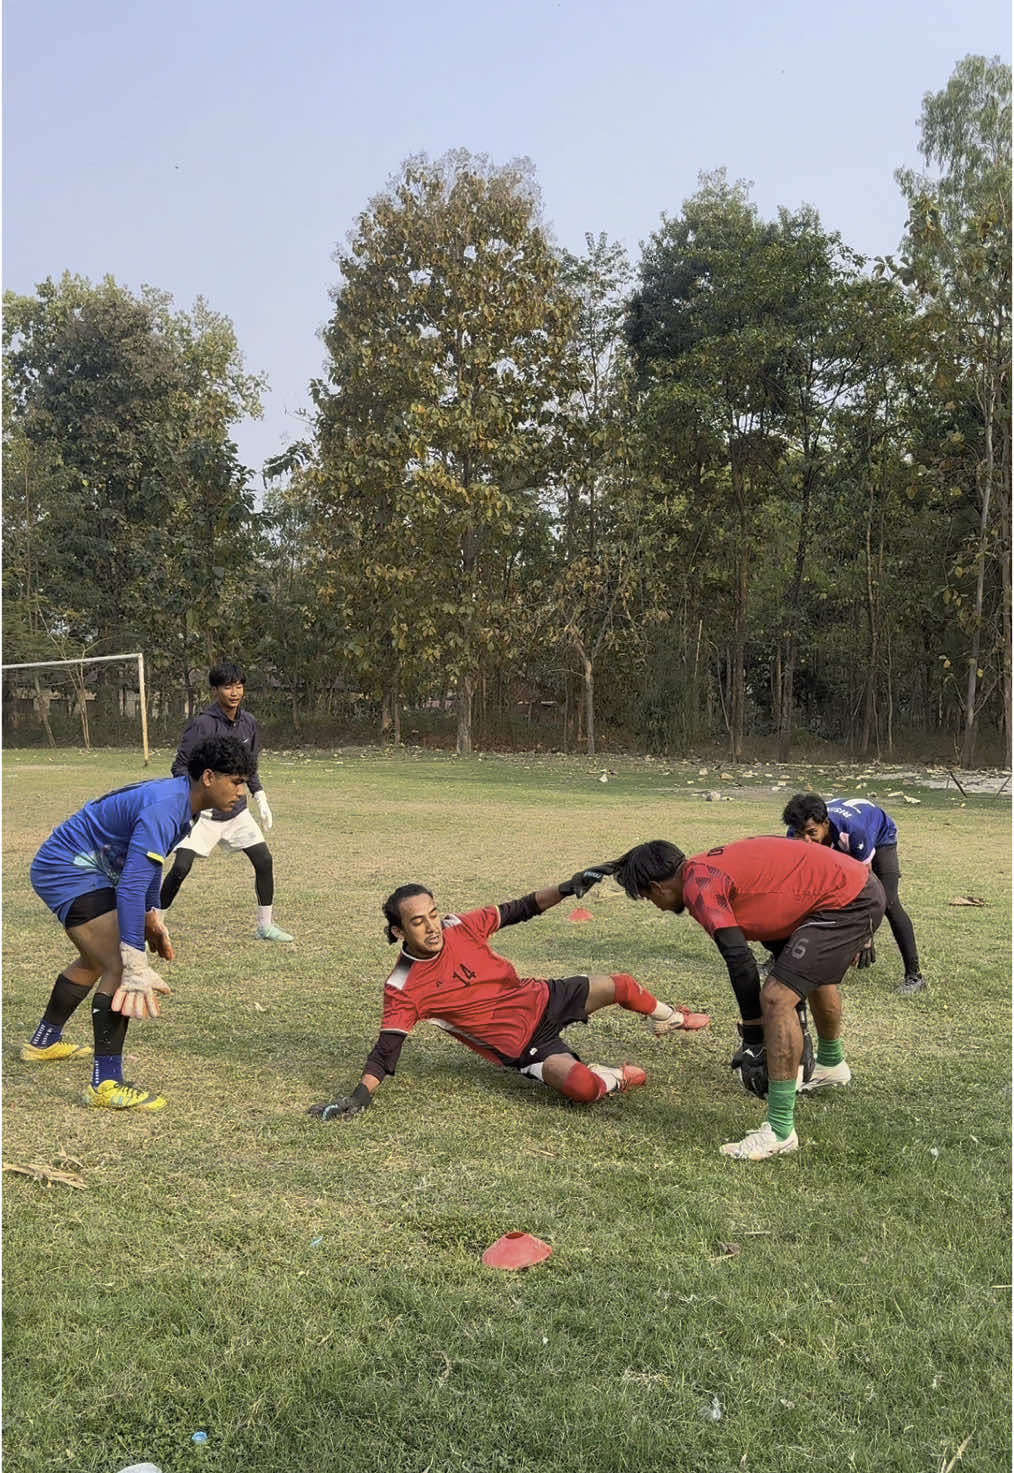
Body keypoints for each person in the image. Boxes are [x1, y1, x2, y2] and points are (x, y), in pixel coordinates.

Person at [308, 866, 710, 1122]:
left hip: (540, 996)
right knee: (583, 1090)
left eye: (432, 915)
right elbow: (385, 1051)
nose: (432, 927)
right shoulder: (403, 987)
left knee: (620, 984)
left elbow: (521, 908)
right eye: (418, 922)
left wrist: (568, 888)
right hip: (524, 1046)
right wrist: (360, 1095)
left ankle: (671, 1018)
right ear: (399, 932)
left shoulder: (458, 925)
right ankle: (617, 1076)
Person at [613, 837, 885, 1162]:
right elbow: (773, 918)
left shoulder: (698, 886)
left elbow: (739, 960)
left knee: (775, 998)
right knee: (810, 976)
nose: (654, 905)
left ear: (657, 886)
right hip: (850, 888)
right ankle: (832, 1065)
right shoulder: (703, 868)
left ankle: (781, 1132)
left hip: (847, 899)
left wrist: (754, 1039)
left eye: (647, 897)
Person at [21, 735, 253, 1110]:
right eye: (237, 781)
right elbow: (129, 886)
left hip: (81, 866)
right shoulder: (168, 807)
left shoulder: (184, 802)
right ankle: (106, 1084)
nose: (242, 792)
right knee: (116, 962)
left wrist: (151, 916)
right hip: (68, 868)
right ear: (209, 777)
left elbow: (146, 866)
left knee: (96, 960)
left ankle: (43, 1042)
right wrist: (135, 964)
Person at [159, 661, 292, 942]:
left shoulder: (249, 723)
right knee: (181, 867)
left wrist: (261, 797)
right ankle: (154, 923)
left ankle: (264, 926)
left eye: (239, 686)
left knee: (264, 860)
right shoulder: (202, 725)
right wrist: (196, 797)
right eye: (228, 686)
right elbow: (179, 766)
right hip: (205, 813)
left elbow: (249, 766)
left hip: (235, 811)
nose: (235, 692)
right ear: (215, 690)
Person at [782, 793, 925, 994]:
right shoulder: (794, 833)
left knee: (888, 901)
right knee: (801, 898)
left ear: (825, 823)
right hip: (841, 835)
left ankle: (914, 976)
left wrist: (866, 935)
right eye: (799, 834)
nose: (806, 841)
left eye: (812, 832)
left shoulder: (853, 832)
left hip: (879, 833)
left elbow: (867, 891)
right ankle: (779, 959)